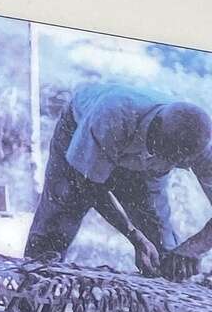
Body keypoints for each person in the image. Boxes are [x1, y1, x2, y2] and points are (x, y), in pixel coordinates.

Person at [24, 82, 212, 280]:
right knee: (60, 218)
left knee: (163, 250)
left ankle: (158, 303)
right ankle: (35, 292)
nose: (169, 164)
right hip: (81, 133)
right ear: (155, 133)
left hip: (141, 165)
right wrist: (133, 235)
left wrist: (193, 248)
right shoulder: (113, 113)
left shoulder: (202, 147)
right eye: (166, 156)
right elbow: (86, 183)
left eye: (176, 162)